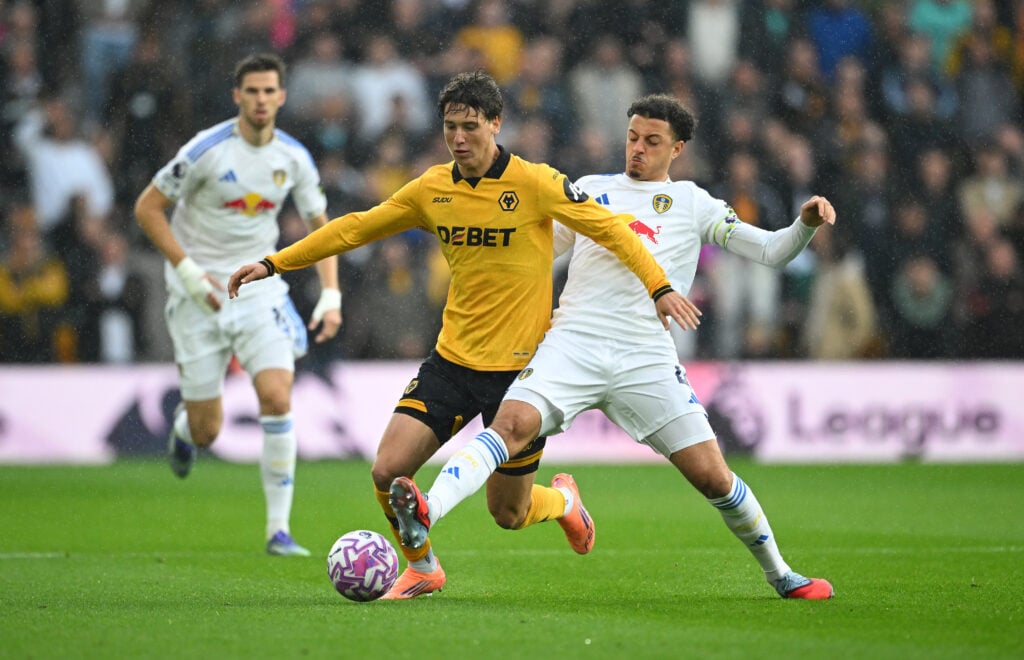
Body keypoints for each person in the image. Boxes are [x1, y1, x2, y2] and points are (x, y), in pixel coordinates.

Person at [228, 72, 700, 598]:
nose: (459, 138)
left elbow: (612, 229)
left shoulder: (536, 183)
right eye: (451, 126)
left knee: (509, 513)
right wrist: (275, 263)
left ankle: (564, 503)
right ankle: (424, 566)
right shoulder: (433, 189)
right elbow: (356, 226)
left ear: (496, 124)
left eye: (471, 126)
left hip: (521, 376)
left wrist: (659, 286)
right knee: (387, 469)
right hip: (452, 362)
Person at [389, 94, 837, 600]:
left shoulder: (695, 203)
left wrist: (804, 224)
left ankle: (781, 574)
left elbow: (773, 252)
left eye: (652, 142)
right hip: (572, 342)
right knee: (509, 426)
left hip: (645, 357)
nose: (637, 150)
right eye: (631, 138)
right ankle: (428, 506)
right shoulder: (589, 191)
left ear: (678, 148)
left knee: (714, 478)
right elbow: (537, 251)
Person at [133, 53, 341, 557]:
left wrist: (331, 294)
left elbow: (323, 227)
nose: (261, 100)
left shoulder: (293, 158)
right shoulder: (206, 151)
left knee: (276, 394)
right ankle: (186, 430)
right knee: (209, 430)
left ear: (282, 96)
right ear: (237, 96)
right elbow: (147, 208)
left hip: (259, 286)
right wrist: (187, 271)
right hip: (196, 294)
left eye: (270, 91)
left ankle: (279, 530)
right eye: (252, 91)